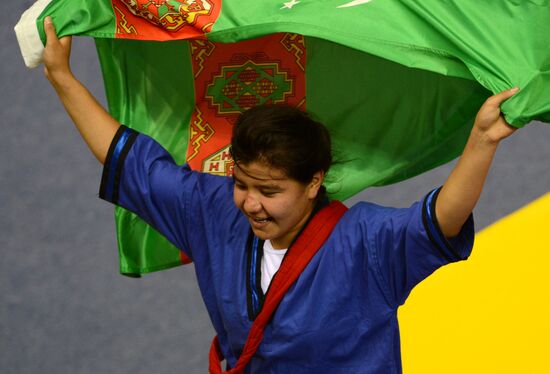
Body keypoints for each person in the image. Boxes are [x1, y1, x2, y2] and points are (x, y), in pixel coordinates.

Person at [42, 15, 520, 373]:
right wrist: (63, 78)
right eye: (242, 183)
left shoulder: (364, 243)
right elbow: (133, 163)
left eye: (269, 191)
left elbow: (441, 220)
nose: (250, 202)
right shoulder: (213, 211)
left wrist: (479, 142)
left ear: (314, 182)